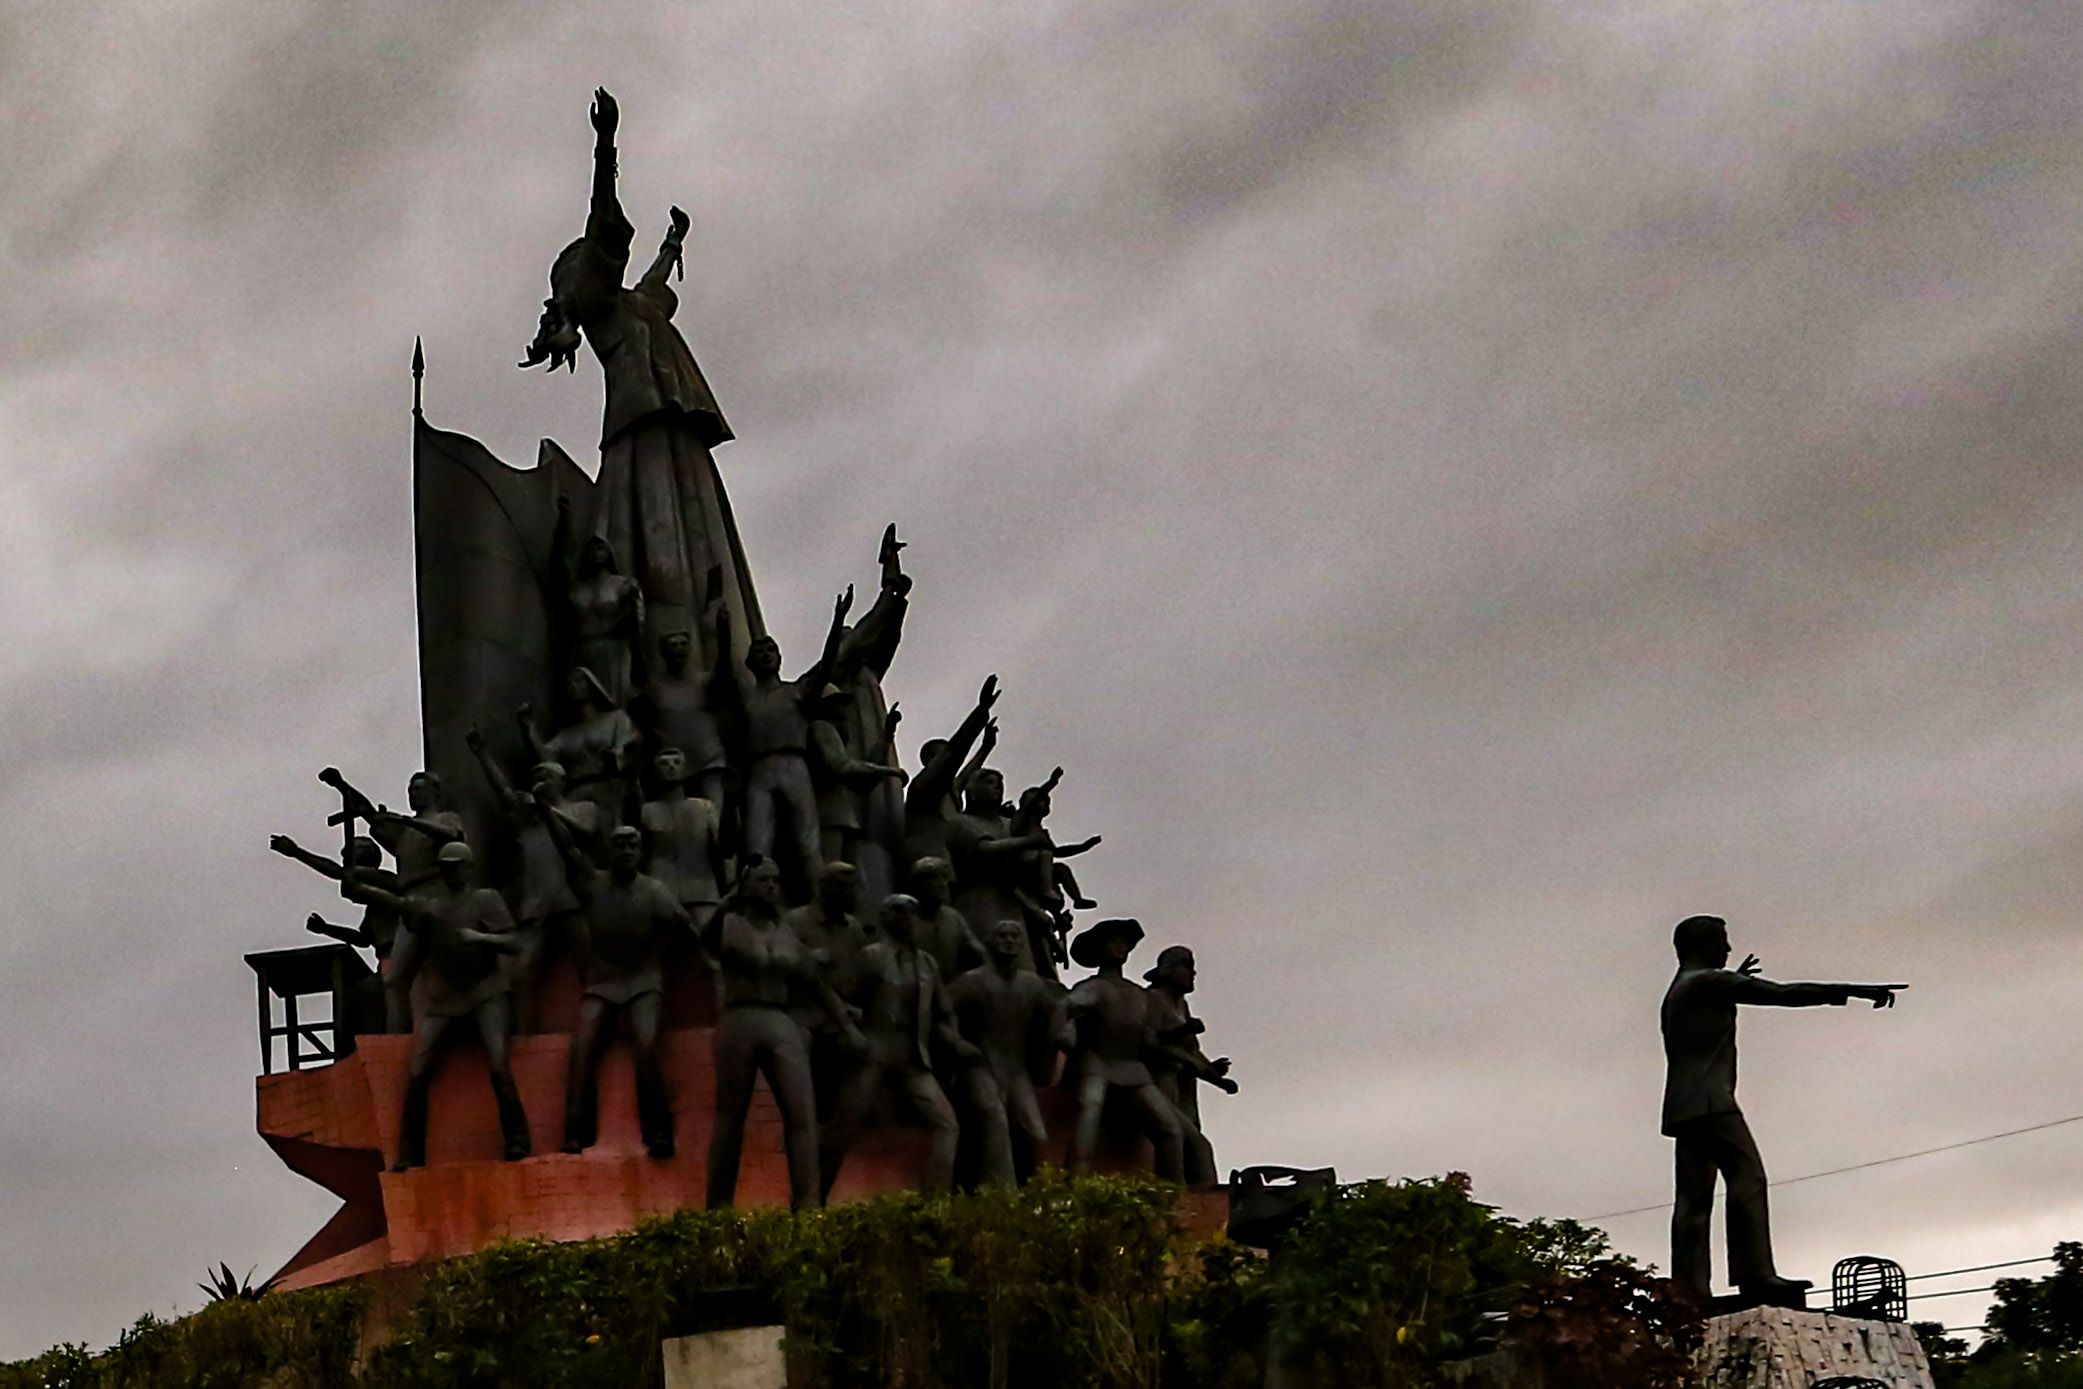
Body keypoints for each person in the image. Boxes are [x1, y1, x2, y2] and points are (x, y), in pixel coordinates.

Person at [521, 87, 762, 654]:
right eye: (584, 260)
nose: (595, 261)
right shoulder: (599, 303)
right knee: (652, 533)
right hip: (639, 423)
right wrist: (606, 148)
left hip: (672, 419)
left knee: (695, 526)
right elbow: (606, 226)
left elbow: (654, 283)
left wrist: (673, 244)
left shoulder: (634, 306)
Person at [1661, 914, 1902, 1305]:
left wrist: (1734, 979)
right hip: (1712, 1102)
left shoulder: (1682, 988)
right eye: (1722, 941)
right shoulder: (1709, 982)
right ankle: (1755, 1276)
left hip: (1683, 1104)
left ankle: (1687, 1292)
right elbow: (1784, 993)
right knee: (1748, 1178)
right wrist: (1854, 990)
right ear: (1701, 946)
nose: (1728, 948)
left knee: (1693, 1199)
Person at [342, 842, 530, 1169]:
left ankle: (518, 1139)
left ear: (467, 868)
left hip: (485, 993)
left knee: (499, 1063)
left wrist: (480, 938)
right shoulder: (433, 907)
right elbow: (399, 903)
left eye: (455, 865)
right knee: (417, 1071)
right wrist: (363, 889)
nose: (450, 871)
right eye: (446, 866)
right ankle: (409, 1153)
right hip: (446, 1001)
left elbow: (514, 942)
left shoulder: (485, 899)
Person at [703, 861, 863, 1209]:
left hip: (779, 1018)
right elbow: (707, 939)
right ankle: (717, 1208)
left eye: (776, 880)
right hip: (739, 1016)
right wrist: (727, 901)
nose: (772, 886)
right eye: (763, 880)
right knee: (730, 1118)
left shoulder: (785, 932)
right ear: (746, 887)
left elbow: (816, 985)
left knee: (801, 1115)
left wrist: (847, 1027)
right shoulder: (730, 923)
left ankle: (808, 1204)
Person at [539, 812, 693, 1157]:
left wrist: (661, 957)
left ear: (641, 851)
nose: (626, 850)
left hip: (643, 981)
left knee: (647, 1046)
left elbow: (686, 930)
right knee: (581, 1050)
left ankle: (659, 1131)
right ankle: (575, 1133)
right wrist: (546, 810)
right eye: (619, 844)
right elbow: (568, 849)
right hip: (603, 983)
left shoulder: (655, 891)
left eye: (632, 844)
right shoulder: (594, 884)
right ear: (610, 851)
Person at [819, 894, 975, 1199]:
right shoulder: (871, 955)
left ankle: (935, 1203)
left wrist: (955, 1040)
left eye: (913, 912)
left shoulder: (927, 963)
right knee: (843, 1127)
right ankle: (812, 1198)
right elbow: (834, 993)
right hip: (874, 1049)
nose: (909, 918)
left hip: (912, 1055)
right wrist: (851, 1028)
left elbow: (943, 1010)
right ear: (885, 917)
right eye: (901, 911)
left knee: (947, 1124)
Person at [710, 597, 849, 900]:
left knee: (808, 844)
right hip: (759, 770)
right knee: (757, 847)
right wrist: (723, 634)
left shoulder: (795, 692)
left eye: (770, 649)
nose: (765, 655)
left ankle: (819, 905)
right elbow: (723, 675)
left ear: (780, 657)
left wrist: (838, 621)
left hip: (794, 767)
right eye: (758, 651)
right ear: (749, 662)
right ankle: (753, 904)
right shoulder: (746, 697)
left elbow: (827, 666)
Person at [466, 729, 599, 1033]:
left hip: (570, 901)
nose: (539, 781)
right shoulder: (528, 820)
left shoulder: (581, 808)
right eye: (536, 776)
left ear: (560, 780)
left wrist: (547, 809)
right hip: (537, 906)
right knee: (523, 974)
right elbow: (503, 792)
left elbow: (586, 831)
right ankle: (523, 1036)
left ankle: (598, 1026)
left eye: (545, 775)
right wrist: (482, 754)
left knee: (589, 969)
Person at [1063, 919, 1183, 1180]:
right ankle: (1075, 1183)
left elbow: (1149, 1040)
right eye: (1113, 942)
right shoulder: (1092, 987)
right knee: (1089, 1109)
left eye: (1124, 943)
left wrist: (1191, 1059)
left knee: (1170, 1128)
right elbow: (1066, 1007)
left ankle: (1177, 1193)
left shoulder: (1139, 994)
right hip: (1095, 1063)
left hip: (1131, 1068)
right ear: (1100, 949)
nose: (1120, 948)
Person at [948, 920, 1065, 1187]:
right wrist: (957, 1043)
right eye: (1002, 935)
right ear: (989, 942)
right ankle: (1004, 1197)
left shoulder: (1031, 984)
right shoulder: (972, 981)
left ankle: (1046, 1194)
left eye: (1015, 936)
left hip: (1016, 1070)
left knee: (1036, 1133)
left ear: (1022, 944)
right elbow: (942, 1013)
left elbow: (1055, 1013)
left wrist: (1064, 1033)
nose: (1009, 941)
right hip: (980, 1067)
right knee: (995, 1121)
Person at [269, 830, 408, 1034]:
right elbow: (362, 939)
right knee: (358, 996)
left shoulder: (389, 884)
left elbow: (342, 874)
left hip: (400, 960)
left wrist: (297, 853)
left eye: (347, 858)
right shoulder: (376, 906)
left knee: (369, 995)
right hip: (386, 961)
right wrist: (326, 928)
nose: (345, 865)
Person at [1142, 945, 1236, 1186]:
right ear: (1169, 971)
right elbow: (1150, 1043)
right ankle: (1182, 1197)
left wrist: (1216, 1076)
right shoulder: (1153, 998)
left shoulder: (1182, 1006)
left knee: (1190, 1141)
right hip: (1160, 1081)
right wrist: (1185, 1036)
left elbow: (1192, 1051)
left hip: (1183, 1085)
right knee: (1194, 1146)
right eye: (1187, 967)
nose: (1193, 974)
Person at [786, 861, 873, 1113]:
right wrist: (808, 958)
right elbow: (785, 968)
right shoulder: (795, 921)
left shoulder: (854, 927)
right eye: (841, 887)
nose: (848, 894)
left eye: (851, 888)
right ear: (823, 887)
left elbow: (863, 971)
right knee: (799, 1044)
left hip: (843, 1014)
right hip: (804, 1012)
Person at [518, 667, 640, 834]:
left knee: (609, 834)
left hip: (607, 787)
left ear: (591, 685)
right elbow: (546, 757)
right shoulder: (567, 734)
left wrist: (614, 756)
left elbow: (628, 745)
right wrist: (529, 728)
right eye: (569, 684)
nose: (573, 686)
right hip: (576, 792)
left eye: (579, 681)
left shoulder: (616, 718)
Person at [635, 626, 732, 832]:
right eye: (673, 645)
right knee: (678, 825)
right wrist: (636, 626)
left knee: (715, 821)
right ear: (663, 652)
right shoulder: (656, 686)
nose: (679, 649)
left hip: (708, 761)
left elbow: (724, 671)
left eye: (683, 644)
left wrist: (724, 635)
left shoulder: (703, 681)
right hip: (673, 766)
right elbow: (638, 666)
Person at [322, 766, 465, 898]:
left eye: (418, 789)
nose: (413, 794)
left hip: (435, 891)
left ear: (435, 791)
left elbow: (451, 834)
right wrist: (341, 785)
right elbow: (369, 813)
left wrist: (405, 820)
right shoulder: (404, 833)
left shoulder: (446, 818)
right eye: (410, 791)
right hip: (407, 895)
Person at [901, 678, 999, 871]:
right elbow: (953, 755)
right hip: (928, 856)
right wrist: (980, 712)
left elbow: (967, 770)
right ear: (931, 760)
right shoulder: (922, 788)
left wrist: (986, 747)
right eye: (940, 754)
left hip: (952, 849)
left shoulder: (953, 786)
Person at [809, 683, 907, 870]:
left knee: (850, 875)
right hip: (829, 815)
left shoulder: (834, 734)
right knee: (832, 869)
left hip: (843, 816)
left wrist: (886, 736)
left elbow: (863, 783)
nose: (842, 709)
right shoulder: (821, 728)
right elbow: (840, 766)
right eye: (836, 703)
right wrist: (888, 772)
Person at [638, 746, 725, 929]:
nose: (671, 767)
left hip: (702, 891)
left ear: (686, 769)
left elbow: (722, 848)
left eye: (677, 762)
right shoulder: (646, 811)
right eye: (664, 763)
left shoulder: (704, 808)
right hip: (661, 890)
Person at [908, 856, 986, 980]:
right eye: (934, 878)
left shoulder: (953, 916)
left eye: (944, 878)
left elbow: (979, 952)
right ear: (918, 885)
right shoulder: (906, 920)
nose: (942, 884)